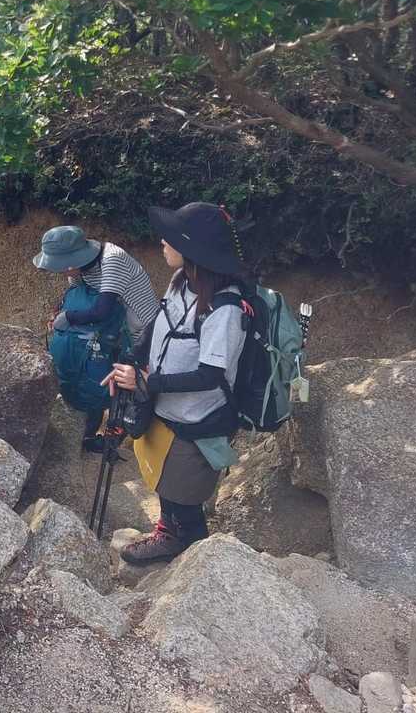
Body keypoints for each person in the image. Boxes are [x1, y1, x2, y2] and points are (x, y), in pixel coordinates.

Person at [103, 202, 249, 565]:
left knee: (185, 496)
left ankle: (196, 559)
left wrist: (147, 382)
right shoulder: (182, 280)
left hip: (199, 418)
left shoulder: (225, 310)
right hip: (169, 408)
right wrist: (131, 360)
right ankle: (167, 533)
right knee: (166, 483)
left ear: (193, 248)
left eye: (171, 238)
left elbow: (210, 375)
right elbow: (159, 322)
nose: (162, 242)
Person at [33, 225, 160, 452]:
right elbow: (76, 298)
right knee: (96, 373)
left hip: (143, 330)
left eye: (61, 267)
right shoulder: (80, 269)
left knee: (126, 384)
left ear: (71, 262)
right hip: (115, 327)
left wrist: (68, 318)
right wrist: (58, 314)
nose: (61, 273)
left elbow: (100, 310)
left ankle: (115, 439)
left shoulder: (112, 260)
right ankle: (90, 434)